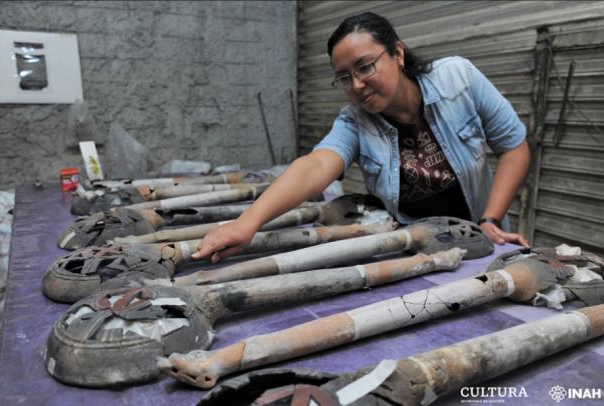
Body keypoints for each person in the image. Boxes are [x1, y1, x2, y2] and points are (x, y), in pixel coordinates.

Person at [193, 12, 530, 264]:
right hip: (418, 249)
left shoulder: (458, 79)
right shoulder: (354, 123)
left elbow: (514, 146)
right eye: (344, 77)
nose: (356, 85)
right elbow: (314, 167)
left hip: (483, 236)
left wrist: (490, 219)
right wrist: (246, 223)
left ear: (397, 54)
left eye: (365, 67)